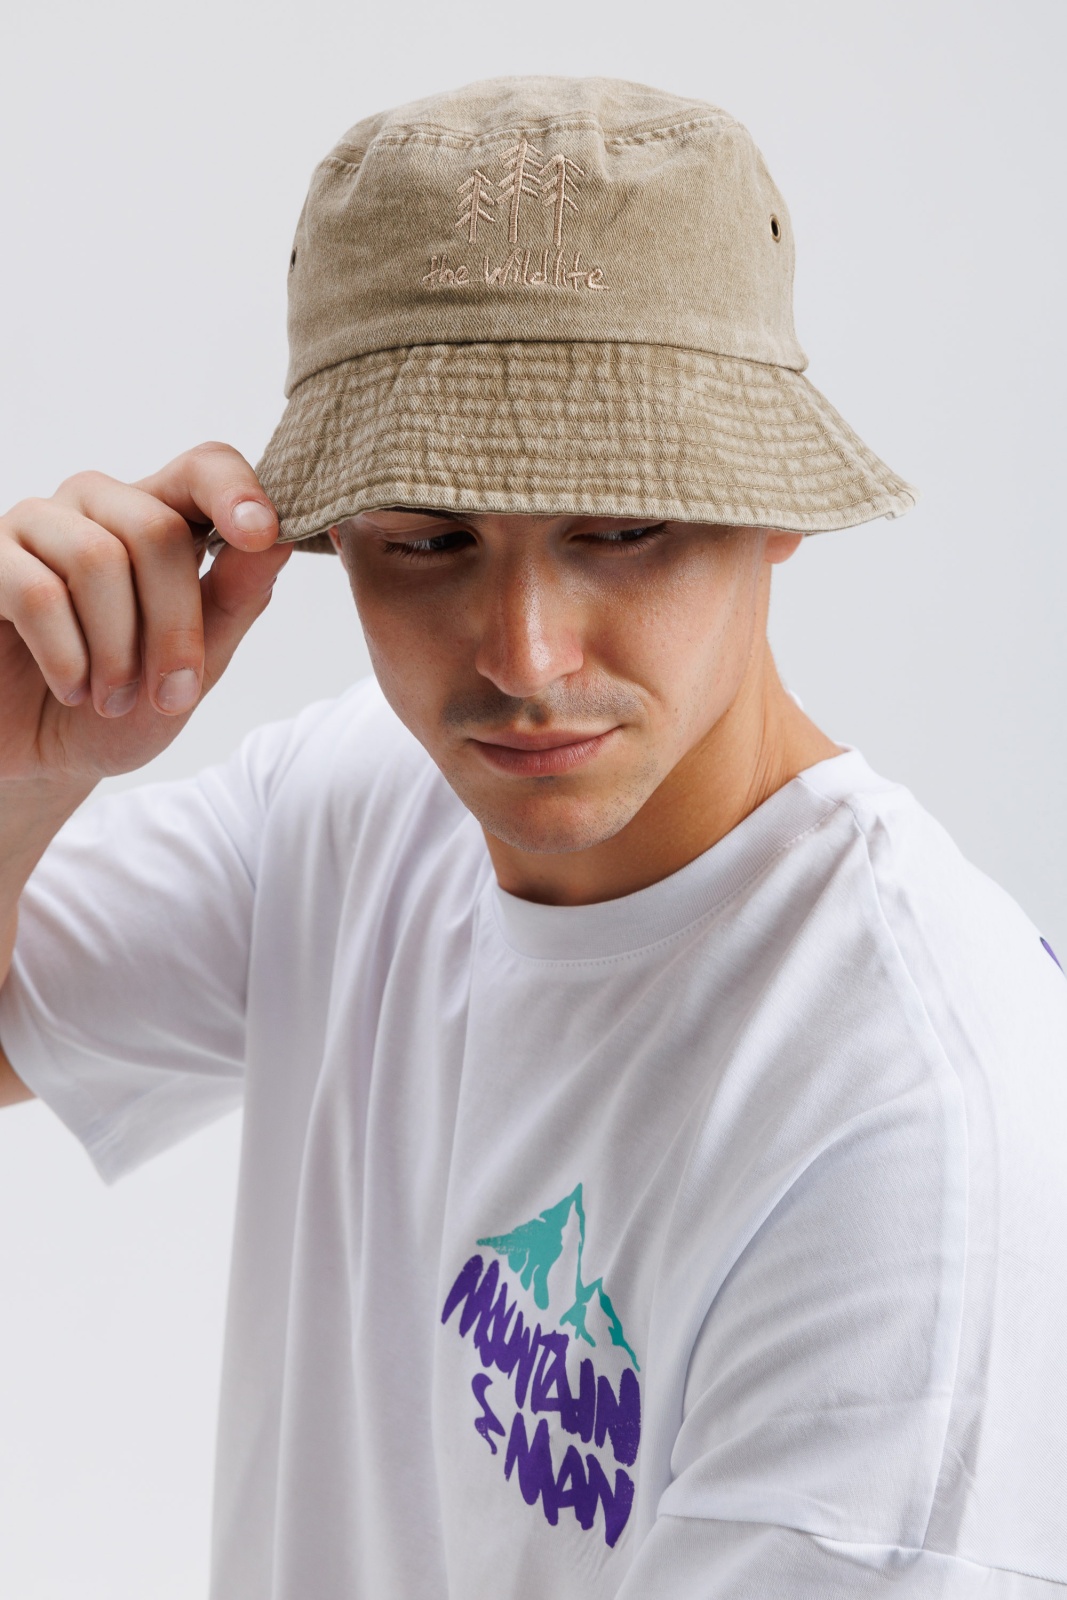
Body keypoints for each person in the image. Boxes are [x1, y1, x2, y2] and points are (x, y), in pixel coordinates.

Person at [1, 73, 1065, 1600]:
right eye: (430, 539)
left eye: (620, 527)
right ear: (323, 539)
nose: (525, 655)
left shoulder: (916, 1125)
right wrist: (21, 777)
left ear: (778, 507)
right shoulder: (359, 803)